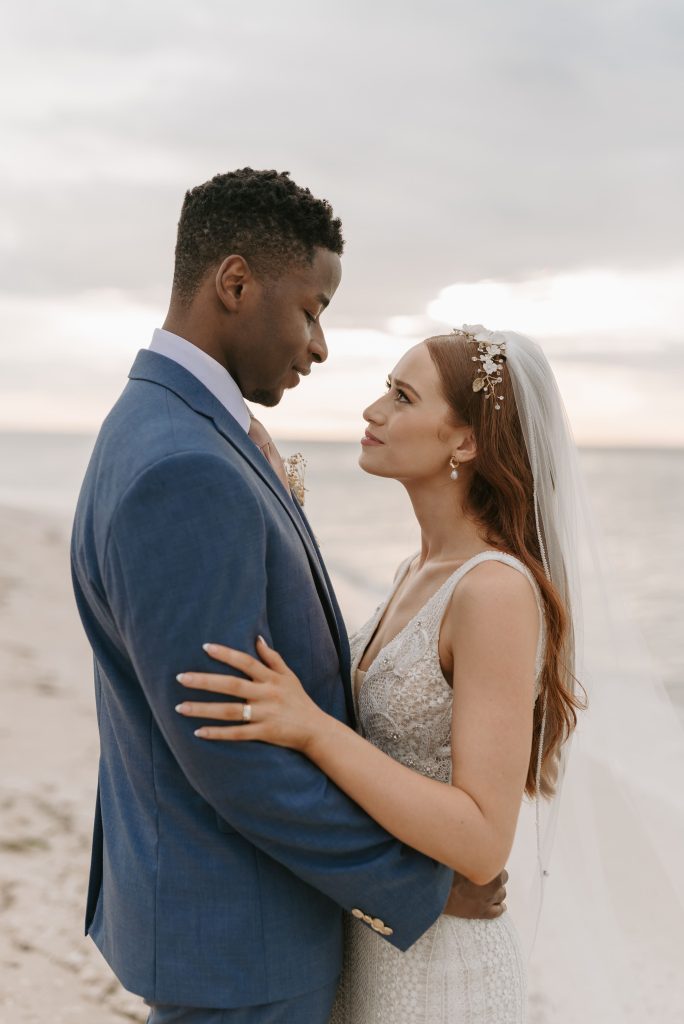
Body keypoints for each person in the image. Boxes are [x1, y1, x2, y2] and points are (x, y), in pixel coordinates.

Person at [70, 171, 508, 1024]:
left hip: (227, 928)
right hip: (244, 946)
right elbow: (230, 746)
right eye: (312, 309)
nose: (319, 345)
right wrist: (414, 886)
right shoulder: (188, 466)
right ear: (235, 284)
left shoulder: (175, 430)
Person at [174, 324, 587, 1023]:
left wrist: (312, 731)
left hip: (443, 972)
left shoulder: (493, 592)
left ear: (465, 442)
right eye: (384, 390)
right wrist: (274, 500)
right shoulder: (415, 572)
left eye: (402, 397)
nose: (373, 411)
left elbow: (484, 843)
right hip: (372, 939)